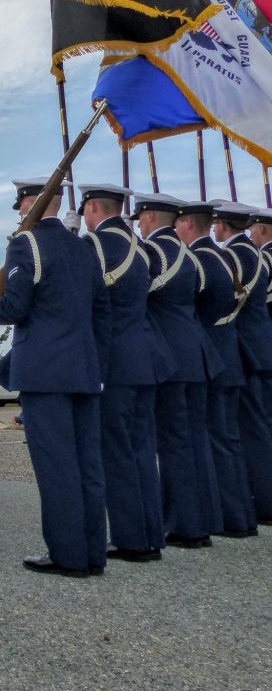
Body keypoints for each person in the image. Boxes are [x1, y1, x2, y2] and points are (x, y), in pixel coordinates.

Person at [0, 178, 111, 577]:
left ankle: (68, 555)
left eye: (21, 206)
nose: (19, 213)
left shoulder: (26, 245)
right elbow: (101, 314)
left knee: (56, 466)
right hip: (85, 371)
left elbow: (16, 306)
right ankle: (92, 553)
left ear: (33, 204)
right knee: (88, 463)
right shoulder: (85, 247)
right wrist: (96, 365)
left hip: (45, 372)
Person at [79, 184, 171, 562]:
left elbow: (86, 298)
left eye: (85, 208)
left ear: (93, 207)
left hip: (114, 360)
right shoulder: (143, 248)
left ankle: (131, 540)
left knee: (116, 452)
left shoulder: (96, 246)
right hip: (144, 357)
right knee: (141, 451)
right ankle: (151, 535)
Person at [134, 192, 224, 548]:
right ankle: (201, 520)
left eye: (140, 218)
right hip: (196, 355)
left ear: (151, 218)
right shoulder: (193, 256)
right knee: (190, 442)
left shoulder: (153, 253)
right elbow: (215, 301)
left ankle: (183, 524)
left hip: (167, 360)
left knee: (170, 444)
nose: (139, 224)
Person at [176, 200, 254, 537]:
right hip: (226, 357)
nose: (176, 230)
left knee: (214, 441)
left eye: (178, 224)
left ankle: (226, 518)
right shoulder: (221, 258)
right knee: (226, 441)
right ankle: (237, 516)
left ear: (188, 225)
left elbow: (191, 309)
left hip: (210, 359)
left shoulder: (201, 259)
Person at [213, 202, 272, 526]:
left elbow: (227, 301)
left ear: (223, 226)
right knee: (257, 428)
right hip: (259, 347)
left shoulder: (235, 255)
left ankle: (261, 501)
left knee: (250, 430)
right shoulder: (258, 255)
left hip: (244, 348)